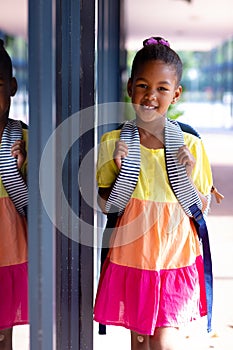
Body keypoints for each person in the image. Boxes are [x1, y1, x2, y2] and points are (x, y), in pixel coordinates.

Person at [93, 36, 214, 350]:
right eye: (143, 85)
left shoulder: (190, 144)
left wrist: (186, 176)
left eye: (162, 88)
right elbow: (105, 206)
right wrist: (121, 173)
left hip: (174, 255)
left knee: (163, 338)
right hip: (133, 256)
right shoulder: (113, 141)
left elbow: (199, 208)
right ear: (130, 87)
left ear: (176, 94)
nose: (151, 95)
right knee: (141, 339)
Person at [0, 39, 28, 350]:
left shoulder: (24, 139)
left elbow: (37, 205)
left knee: (3, 334)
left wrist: (18, 171)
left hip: (11, 253)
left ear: (12, 87)